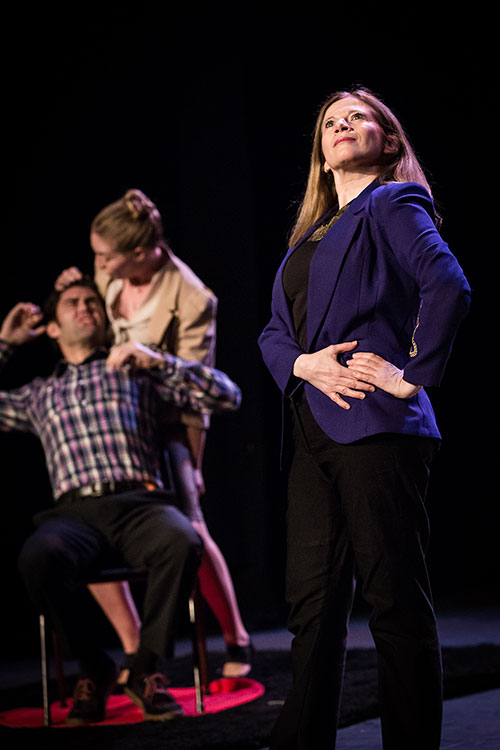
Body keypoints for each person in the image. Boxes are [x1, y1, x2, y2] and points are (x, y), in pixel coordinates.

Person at [258, 86, 471, 750]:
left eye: (358, 117)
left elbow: (449, 284)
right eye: (330, 122)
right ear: (321, 155)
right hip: (313, 430)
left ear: (390, 141)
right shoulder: (305, 241)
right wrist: (305, 366)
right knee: (312, 610)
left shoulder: (393, 202)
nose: (342, 125)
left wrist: (412, 376)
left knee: (394, 604)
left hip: (376, 427)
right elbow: (272, 333)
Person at [0, 278, 241, 725]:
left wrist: (160, 360)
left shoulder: (133, 370)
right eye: (73, 303)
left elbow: (228, 396)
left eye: (92, 301)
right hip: (74, 513)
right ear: (51, 328)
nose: (86, 307)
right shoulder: (38, 393)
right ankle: (94, 664)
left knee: (182, 539)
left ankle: (146, 667)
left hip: (140, 505)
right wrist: (5, 343)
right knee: (38, 557)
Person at [56, 189, 252, 683]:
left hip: (165, 423)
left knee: (191, 526)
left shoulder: (191, 297)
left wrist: (195, 463)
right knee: (94, 519)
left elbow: (199, 390)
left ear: (140, 252)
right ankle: (132, 645)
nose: (96, 264)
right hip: (111, 421)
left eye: (105, 256)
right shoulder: (106, 273)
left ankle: (236, 637)